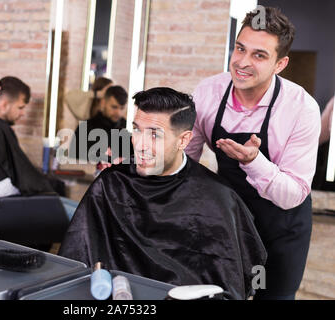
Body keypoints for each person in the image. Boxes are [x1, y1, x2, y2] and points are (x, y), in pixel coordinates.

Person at [59, 87, 267, 300]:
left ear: (183, 140)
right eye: (137, 130)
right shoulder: (111, 182)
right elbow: (77, 257)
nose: (140, 145)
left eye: (154, 135)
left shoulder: (218, 197)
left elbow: (237, 276)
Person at [185, 7, 321, 300]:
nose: (242, 63)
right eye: (239, 49)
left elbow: (293, 193)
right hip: (229, 220)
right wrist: (137, 166)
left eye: (259, 55)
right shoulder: (208, 92)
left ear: (280, 64)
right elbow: (184, 161)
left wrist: (253, 161)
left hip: (281, 228)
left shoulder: (301, 109)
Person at [0, 76, 78, 228]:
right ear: (4, 104)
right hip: (5, 209)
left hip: (14, 202)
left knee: (81, 210)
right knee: (82, 219)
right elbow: (3, 187)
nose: (23, 113)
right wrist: (38, 190)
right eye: (20, 107)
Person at [69, 85, 132, 163]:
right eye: (114, 107)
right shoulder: (85, 128)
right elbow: (75, 163)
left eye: (122, 108)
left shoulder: (126, 128)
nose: (118, 113)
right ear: (103, 103)